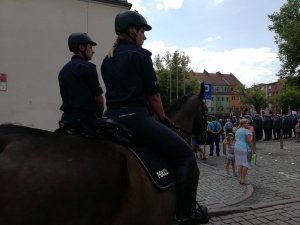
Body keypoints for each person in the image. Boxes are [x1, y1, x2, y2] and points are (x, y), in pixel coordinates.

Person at [100, 10, 208, 225]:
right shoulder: (140, 55)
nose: (145, 37)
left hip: (110, 119)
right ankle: (186, 213)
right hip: (136, 118)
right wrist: (163, 118)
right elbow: (154, 96)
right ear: (132, 31)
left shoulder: (106, 59)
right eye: (142, 32)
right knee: (186, 155)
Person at [58, 32, 104, 136]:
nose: (93, 51)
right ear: (82, 47)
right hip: (87, 121)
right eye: (90, 47)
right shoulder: (88, 68)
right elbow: (99, 100)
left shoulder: (63, 71)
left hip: (67, 119)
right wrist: (100, 112)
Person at [234, 119, 256, 185]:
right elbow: (249, 141)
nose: (248, 125)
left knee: (240, 163)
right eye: (247, 123)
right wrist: (253, 150)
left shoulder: (237, 130)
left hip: (237, 147)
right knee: (245, 164)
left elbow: (236, 139)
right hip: (244, 148)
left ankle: (240, 179)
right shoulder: (246, 131)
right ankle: (243, 179)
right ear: (243, 124)